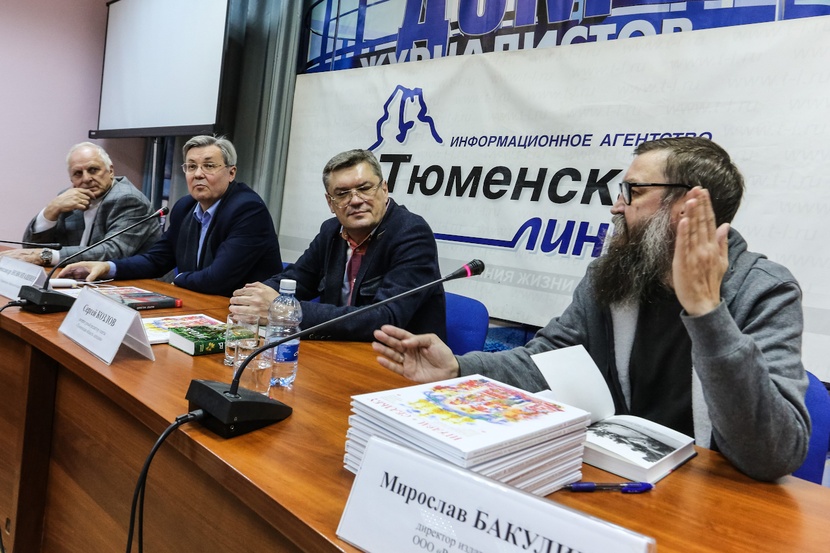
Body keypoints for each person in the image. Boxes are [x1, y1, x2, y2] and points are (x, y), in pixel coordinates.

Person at [372, 137, 810, 481]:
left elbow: (773, 454)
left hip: (714, 501)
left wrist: (706, 312)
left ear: (686, 207)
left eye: (633, 191)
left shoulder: (764, 291)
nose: (617, 205)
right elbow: (546, 359)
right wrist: (458, 368)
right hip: (617, 476)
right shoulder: (614, 274)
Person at [230, 148, 445, 341]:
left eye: (365, 188)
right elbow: (298, 279)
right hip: (337, 349)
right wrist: (252, 299)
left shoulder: (411, 233)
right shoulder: (331, 231)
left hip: (398, 360)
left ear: (384, 189)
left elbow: (386, 318)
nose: (356, 200)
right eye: (342, 194)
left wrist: (287, 311)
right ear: (330, 202)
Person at [59, 135, 282, 296]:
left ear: (231, 172)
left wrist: (178, 279)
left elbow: (218, 279)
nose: (198, 174)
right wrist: (107, 267)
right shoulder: (185, 207)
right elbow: (156, 259)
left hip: (242, 317)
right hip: (198, 303)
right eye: (191, 167)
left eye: (209, 166)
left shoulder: (247, 210)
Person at [0, 142, 161, 266]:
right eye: (78, 173)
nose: (86, 179)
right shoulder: (69, 198)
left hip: (140, 285)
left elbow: (112, 252)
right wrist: (50, 211)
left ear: (111, 171)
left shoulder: (128, 200)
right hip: (82, 279)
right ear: (71, 179)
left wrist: (46, 256)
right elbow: (30, 250)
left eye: (93, 170)